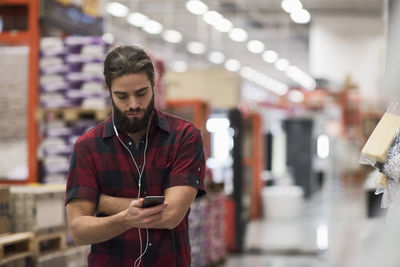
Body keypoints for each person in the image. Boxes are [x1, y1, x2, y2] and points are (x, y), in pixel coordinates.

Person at [65, 45, 207, 267]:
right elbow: (78, 231)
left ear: (154, 86)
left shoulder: (184, 137)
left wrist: (103, 203)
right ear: (109, 91)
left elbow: (171, 215)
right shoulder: (88, 146)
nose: (133, 104)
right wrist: (124, 219)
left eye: (141, 93)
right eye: (122, 96)